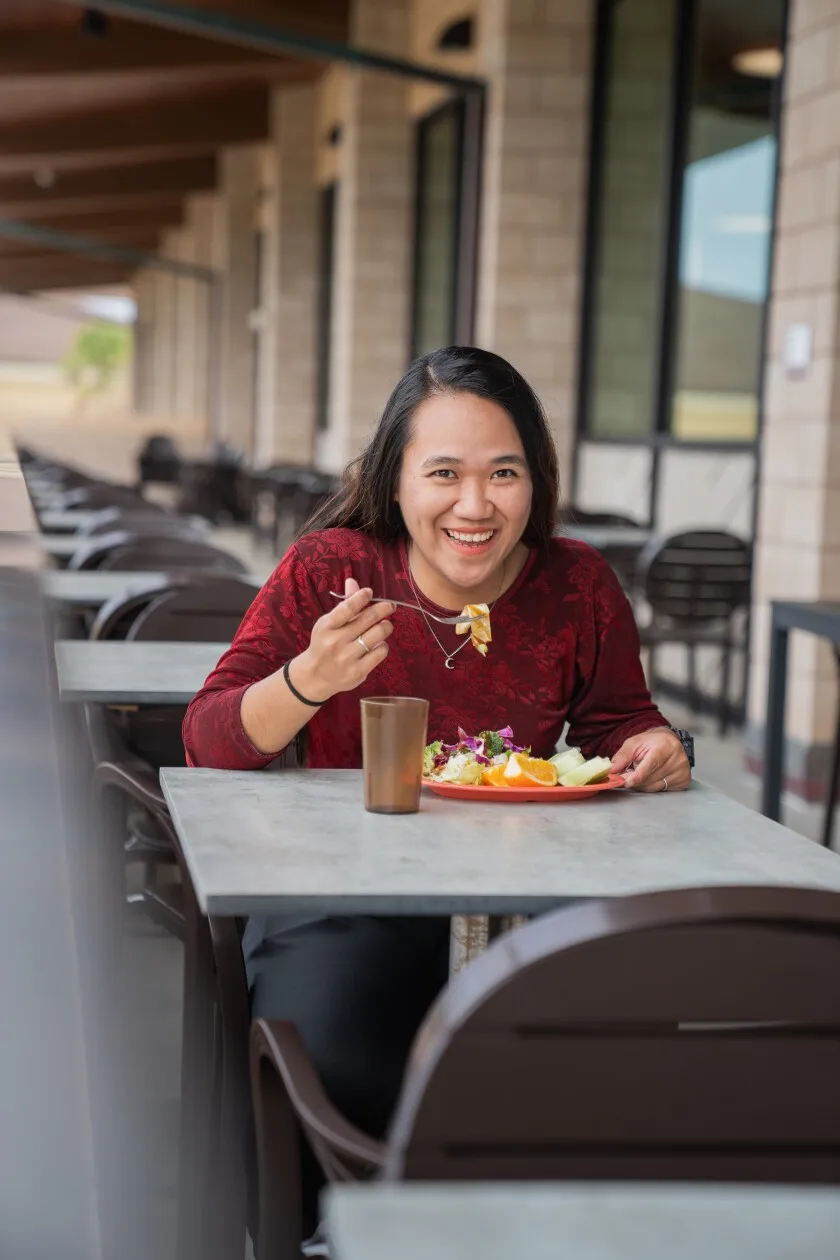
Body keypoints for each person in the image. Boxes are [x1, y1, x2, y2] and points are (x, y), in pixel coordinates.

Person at [183, 346, 691, 1234]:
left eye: (504, 473)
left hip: (527, 896)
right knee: (340, 1050)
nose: (474, 505)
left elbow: (621, 724)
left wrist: (657, 746)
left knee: (613, 1047)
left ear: (537, 479)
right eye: (444, 474)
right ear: (397, 477)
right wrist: (307, 679)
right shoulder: (330, 569)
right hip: (340, 891)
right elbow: (208, 739)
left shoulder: (579, 585)